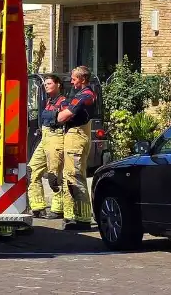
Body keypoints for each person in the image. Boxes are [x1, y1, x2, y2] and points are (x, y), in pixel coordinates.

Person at [55, 65, 97, 230]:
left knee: (75, 176)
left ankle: (83, 218)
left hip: (76, 137)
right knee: (71, 175)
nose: (72, 83)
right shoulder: (83, 94)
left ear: (83, 79)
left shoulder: (84, 96)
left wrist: (60, 113)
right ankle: (74, 215)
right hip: (76, 136)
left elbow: (62, 116)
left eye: (74, 79)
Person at [28, 74, 66, 219]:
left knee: (54, 175)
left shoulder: (63, 102)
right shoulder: (49, 101)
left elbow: (64, 119)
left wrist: (54, 116)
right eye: (45, 84)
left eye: (49, 83)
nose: (46, 85)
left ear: (58, 85)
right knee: (32, 169)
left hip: (56, 138)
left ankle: (58, 209)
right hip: (45, 137)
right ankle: (37, 207)